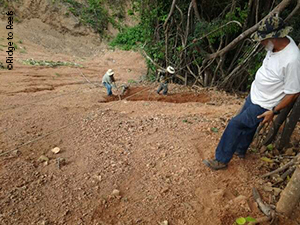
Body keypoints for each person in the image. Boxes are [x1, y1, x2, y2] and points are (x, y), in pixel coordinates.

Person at [203, 16, 300, 170]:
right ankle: (240, 150)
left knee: (235, 124)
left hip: (266, 103)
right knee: (248, 126)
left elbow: (293, 92)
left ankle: (221, 160)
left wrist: (273, 111)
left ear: (274, 37)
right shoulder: (278, 43)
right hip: (256, 94)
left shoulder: (292, 59)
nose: (261, 43)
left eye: (263, 39)